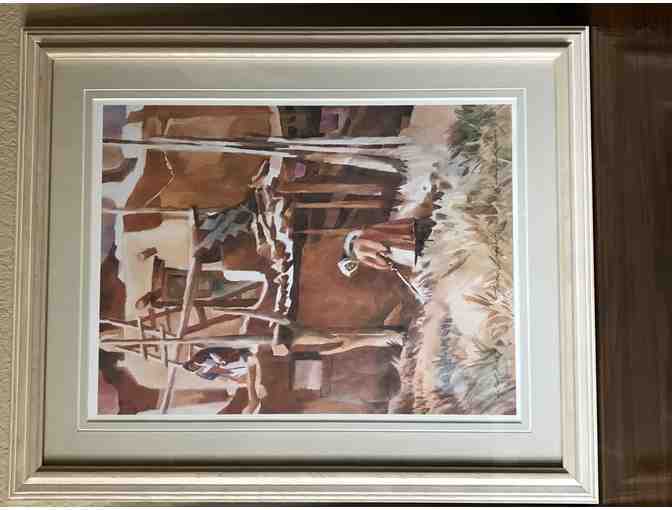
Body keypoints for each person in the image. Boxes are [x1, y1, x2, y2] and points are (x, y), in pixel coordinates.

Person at [337, 217, 434, 277]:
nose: (353, 266)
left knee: (401, 241)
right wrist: (386, 265)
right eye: (352, 268)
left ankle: (419, 237)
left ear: (347, 260)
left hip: (385, 242)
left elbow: (375, 256)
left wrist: (387, 265)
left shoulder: (359, 253)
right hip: (383, 240)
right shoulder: (359, 252)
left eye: (350, 265)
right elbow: (375, 264)